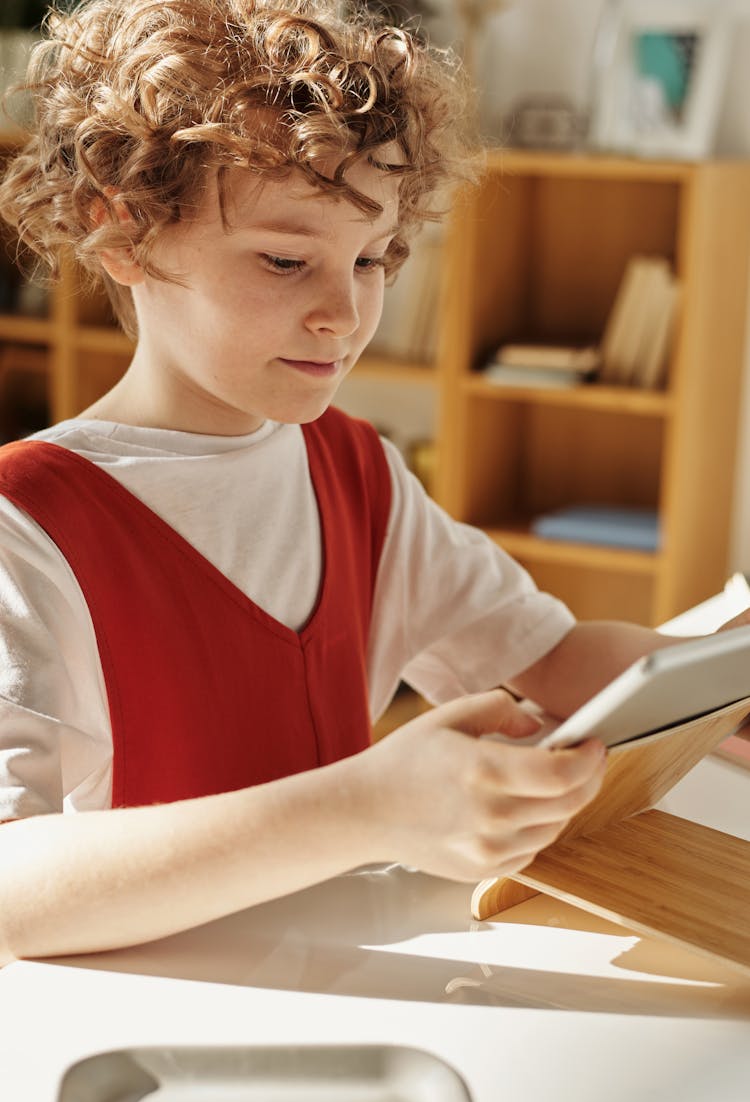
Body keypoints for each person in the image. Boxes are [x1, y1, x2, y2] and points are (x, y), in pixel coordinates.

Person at [0, 0, 745, 966]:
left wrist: (718, 682)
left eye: (374, 258)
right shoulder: (28, 525)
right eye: (285, 261)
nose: (344, 314)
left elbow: (552, 657)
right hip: (143, 1045)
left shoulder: (356, 471)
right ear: (123, 231)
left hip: (347, 995)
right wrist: (365, 809)